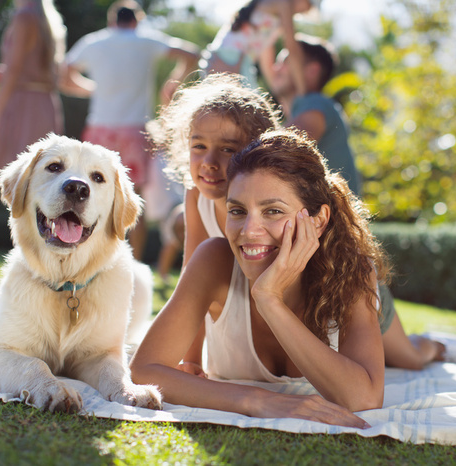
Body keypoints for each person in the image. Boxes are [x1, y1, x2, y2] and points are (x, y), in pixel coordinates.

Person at [152, 73, 446, 372]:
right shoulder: (196, 195)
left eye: (228, 149)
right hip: (276, 302)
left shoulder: (286, 198)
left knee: (407, 358)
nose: (209, 162)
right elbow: (192, 277)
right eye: (198, 146)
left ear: (259, 150)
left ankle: (429, 345)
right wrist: (190, 360)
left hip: (340, 286)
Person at [131, 128, 386, 425]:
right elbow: (145, 369)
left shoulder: (352, 268)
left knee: (409, 355)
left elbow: (363, 399)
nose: (249, 231)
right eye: (237, 211)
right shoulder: (214, 260)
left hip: (343, 284)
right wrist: (257, 400)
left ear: (319, 220)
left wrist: (269, 300)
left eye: (273, 211)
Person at [59, 0, 200, 261]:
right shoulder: (146, 40)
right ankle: (131, 263)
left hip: (100, 131)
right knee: (132, 200)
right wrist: (172, 85)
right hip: (136, 131)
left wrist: (92, 89)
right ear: (137, 20)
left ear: (113, 21)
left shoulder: (94, 42)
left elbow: (64, 74)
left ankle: (92, 258)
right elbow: (192, 54)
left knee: (92, 197)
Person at [0, 0, 66, 190]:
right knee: (39, 181)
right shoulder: (48, 19)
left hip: (23, 105)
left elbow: (14, 69)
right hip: (46, 103)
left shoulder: (24, 18)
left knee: (17, 182)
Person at [262, 34, 361, 194]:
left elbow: (278, 150)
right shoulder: (306, 107)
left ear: (312, 71)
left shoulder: (316, 104)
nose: (275, 69)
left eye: (285, 62)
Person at [202, 0, 317, 91]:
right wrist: (302, 90)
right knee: (250, 110)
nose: (302, 11)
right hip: (230, 58)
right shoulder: (283, 3)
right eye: (307, 4)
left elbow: (266, 58)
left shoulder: (273, 21)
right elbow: (292, 47)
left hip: (237, 60)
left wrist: (277, 91)